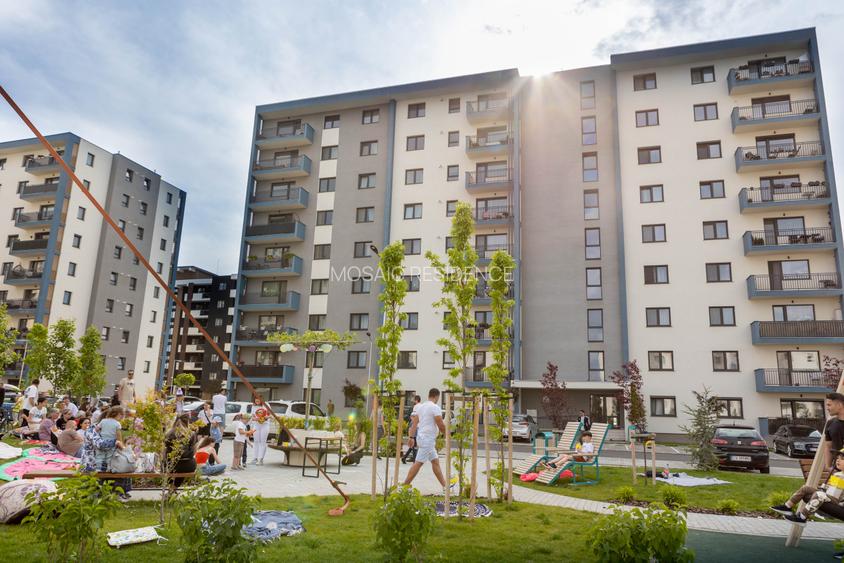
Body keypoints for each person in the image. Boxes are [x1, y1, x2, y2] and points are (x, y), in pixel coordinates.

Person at [772, 448, 844, 525]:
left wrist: (822, 493)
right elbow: (833, 489)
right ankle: (787, 506)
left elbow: (838, 495)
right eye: (837, 458)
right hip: (831, 497)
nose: (838, 460)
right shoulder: (837, 474)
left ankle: (802, 517)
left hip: (839, 503)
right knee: (806, 488)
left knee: (819, 495)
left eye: (842, 459)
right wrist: (824, 488)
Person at [403, 388, 448, 492]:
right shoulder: (435, 407)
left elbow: (414, 424)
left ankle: (445, 486)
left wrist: (411, 437)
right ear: (437, 396)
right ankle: (405, 486)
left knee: (435, 462)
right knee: (418, 463)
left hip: (423, 438)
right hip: (427, 439)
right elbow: (440, 424)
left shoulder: (421, 407)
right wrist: (446, 434)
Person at [96, 407, 132, 500]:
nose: (122, 417)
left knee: (101, 467)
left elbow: (97, 430)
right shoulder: (117, 423)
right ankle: (117, 492)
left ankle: (100, 492)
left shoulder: (103, 421)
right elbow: (118, 436)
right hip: (112, 446)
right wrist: (122, 447)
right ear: (118, 414)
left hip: (102, 445)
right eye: (122, 415)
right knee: (113, 467)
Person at [165, 414, 198, 489]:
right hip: (188, 465)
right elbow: (195, 451)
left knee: (173, 466)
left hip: (171, 465)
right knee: (183, 467)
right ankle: (173, 489)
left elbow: (165, 450)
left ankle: (171, 488)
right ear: (187, 422)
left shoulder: (168, 433)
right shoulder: (191, 434)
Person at [825, 393, 844, 469]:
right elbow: (828, 446)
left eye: (829, 405)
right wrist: (828, 466)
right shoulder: (830, 423)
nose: (827, 408)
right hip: (837, 471)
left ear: (839, 405)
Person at [402, 395, 422, 464]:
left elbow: (413, 416)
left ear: (416, 400)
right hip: (418, 426)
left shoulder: (416, 406)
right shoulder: (421, 406)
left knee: (413, 442)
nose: (413, 401)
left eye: (414, 400)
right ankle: (413, 458)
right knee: (414, 442)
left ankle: (408, 458)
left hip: (414, 425)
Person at [251, 400, 270, 465]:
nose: (257, 401)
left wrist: (265, 418)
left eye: (258, 399)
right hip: (256, 425)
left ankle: (261, 459)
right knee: (256, 441)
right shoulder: (253, 406)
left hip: (265, 425)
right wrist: (255, 419)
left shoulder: (266, 405)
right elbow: (252, 417)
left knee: (263, 442)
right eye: (255, 400)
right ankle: (255, 458)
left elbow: (269, 415)